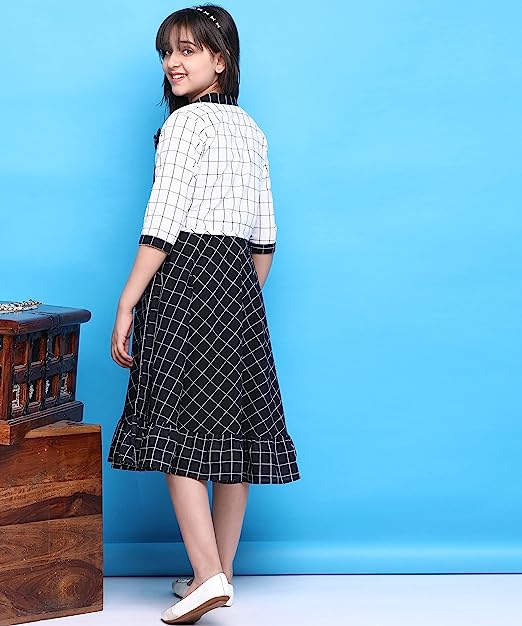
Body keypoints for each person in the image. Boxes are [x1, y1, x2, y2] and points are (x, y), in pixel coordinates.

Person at [107, 4, 301, 623]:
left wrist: (128, 299)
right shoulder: (252, 129)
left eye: (188, 50)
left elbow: (163, 220)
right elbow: (267, 235)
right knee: (230, 433)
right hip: (238, 280)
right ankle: (217, 573)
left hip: (184, 273)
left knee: (176, 429)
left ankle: (207, 571)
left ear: (221, 60)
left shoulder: (184, 125)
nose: (173, 62)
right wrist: (238, 295)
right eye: (167, 51)